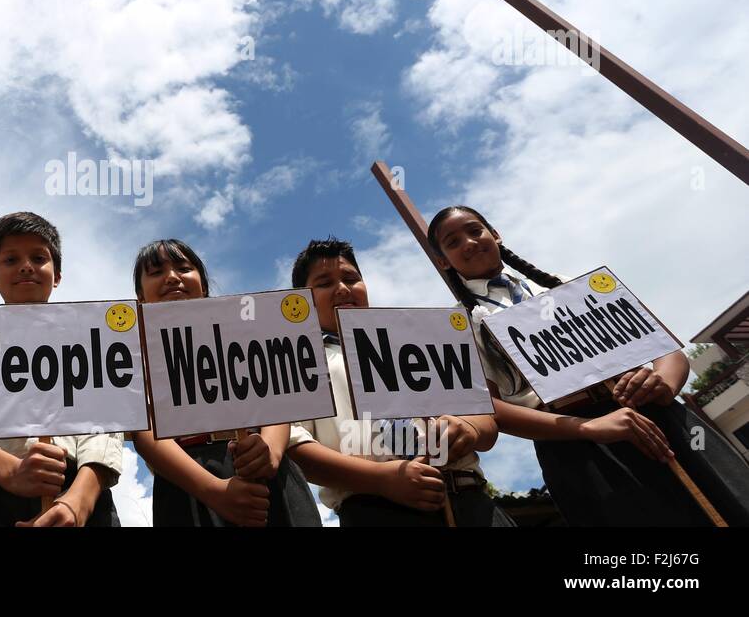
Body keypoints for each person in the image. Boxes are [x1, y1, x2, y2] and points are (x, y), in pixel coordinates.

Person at [427, 204, 749, 526]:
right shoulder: (460, 325)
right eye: (453, 242)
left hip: (657, 416)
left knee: (730, 506)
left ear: (495, 234)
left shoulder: (565, 283)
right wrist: (586, 428)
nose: (468, 242)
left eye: (474, 230)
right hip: (575, 447)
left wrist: (663, 382)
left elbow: (664, 347)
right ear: (442, 261)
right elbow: (488, 407)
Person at [283, 237, 511, 526]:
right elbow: (296, 446)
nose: (342, 288)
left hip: (470, 498)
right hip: (372, 508)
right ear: (304, 301)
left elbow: (485, 420)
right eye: (325, 283)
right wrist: (382, 479)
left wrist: (467, 428)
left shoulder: (418, 339)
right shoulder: (299, 362)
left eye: (351, 278)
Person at [0, 212, 122, 527]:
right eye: (10, 260)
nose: (26, 266)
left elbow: (108, 421)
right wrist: (9, 472)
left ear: (57, 274)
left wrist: (79, 499)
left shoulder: (90, 336)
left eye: (39, 257)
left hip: (82, 494)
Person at [132, 238, 321, 527]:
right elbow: (144, 432)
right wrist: (213, 491)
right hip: (188, 486)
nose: (172, 277)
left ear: (203, 285)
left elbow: (277, 400)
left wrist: (270, 450)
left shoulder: (245, 333)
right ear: (140, 297)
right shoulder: (133, 356)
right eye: (156, 273)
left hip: (269, 474)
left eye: (183, 268)